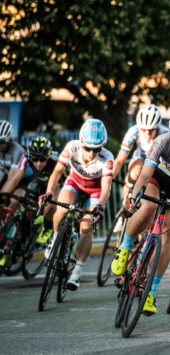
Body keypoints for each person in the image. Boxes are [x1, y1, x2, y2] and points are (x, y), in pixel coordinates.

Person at [110, 108, 170, 316]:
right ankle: (125, 248)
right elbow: (145, 174)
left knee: (166, 234)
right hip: (158, 179)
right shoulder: (162, 142)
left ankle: (150, 293)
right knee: (147, 206)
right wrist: (133, 197)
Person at [41, 118, 113, 291]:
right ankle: (55, 239)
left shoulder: (107, 158)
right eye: (88, 148)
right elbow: (57, 172)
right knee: (61, 210)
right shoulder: (72, 147)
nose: (91, 153)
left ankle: (77, 273)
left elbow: (106, 189)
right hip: (75, 183)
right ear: (81, 143)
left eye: (96, 149)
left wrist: (99, 207)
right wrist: (49, 193)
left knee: (86, 227)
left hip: (94, 191)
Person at [112, 105, 168, 231]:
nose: (147, 133)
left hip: (158, 164)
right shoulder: (134, 131)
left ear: (158, 126)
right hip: (140, 158)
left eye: (151, 130)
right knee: (134, 172)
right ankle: (124, 208)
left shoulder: (165, 134)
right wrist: (109, 179)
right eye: (144, 129)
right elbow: (120, 160)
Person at [26, 137, 65, 245]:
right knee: (27, 207)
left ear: (48, 156)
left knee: (52, 203)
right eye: (35, 159)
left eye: (42, 160)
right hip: (40, 184)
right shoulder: (27, 160)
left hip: (57, 186)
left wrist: (43, 210)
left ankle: (48, 227)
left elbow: (55, 188)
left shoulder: (55, 162)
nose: (38, 163)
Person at [0, 120, 32, 212]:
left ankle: (15, 224)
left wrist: (2, 196)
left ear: (9, 139)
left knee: (13, 200)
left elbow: (13, 179)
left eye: (1, 141)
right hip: (9, 176)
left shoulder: (17, 151)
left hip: (24, 179)